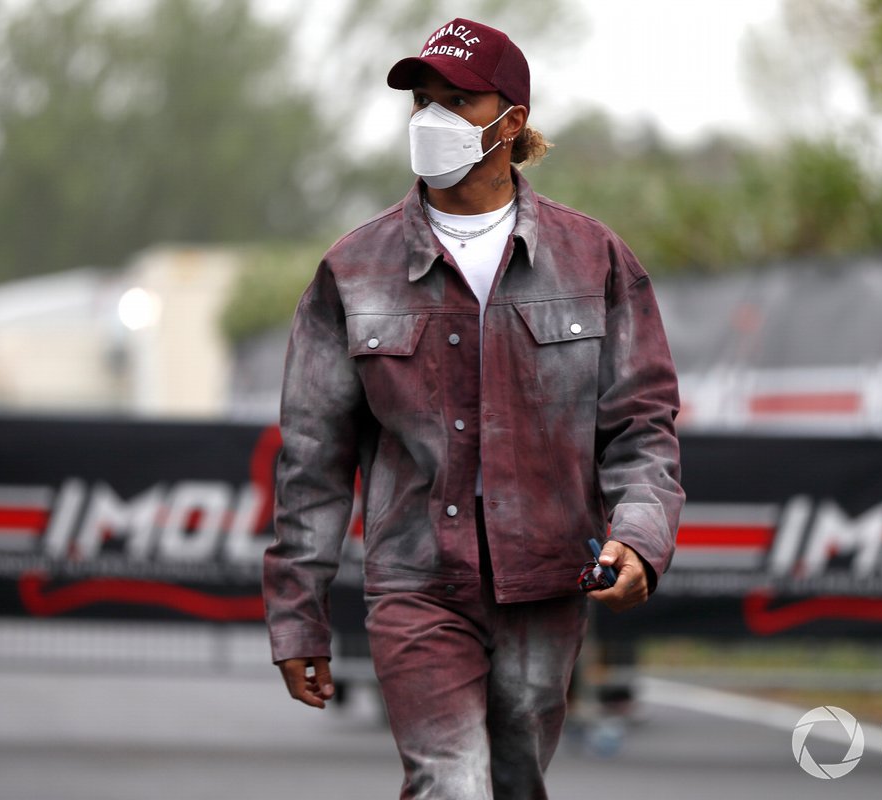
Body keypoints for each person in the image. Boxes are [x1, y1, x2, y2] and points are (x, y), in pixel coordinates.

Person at [263, 17, 684, 800]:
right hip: (417, 584)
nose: (432, 119)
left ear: (511, 121)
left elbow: (640, 425)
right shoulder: (351, 270)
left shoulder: (594, 259)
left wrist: (641, 539)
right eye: (422, 100)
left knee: (516, 784)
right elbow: (312, 460)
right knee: (450, 783)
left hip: (548, 583)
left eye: (458, 100)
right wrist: (298, 616)